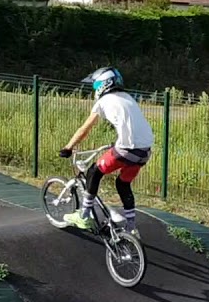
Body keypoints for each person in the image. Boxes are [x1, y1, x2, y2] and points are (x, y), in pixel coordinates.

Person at [58, 67, 155, 236]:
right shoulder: (128, 97)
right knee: (122, 184)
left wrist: (68, 147)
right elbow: (132, 126)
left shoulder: (103, 102)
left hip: (126, 148)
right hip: (144, 151)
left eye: (96, 86)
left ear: (104, 84)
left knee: (94, 172)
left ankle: (84, 215)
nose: (95, 90)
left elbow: (84, 129)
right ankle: (131, 227)